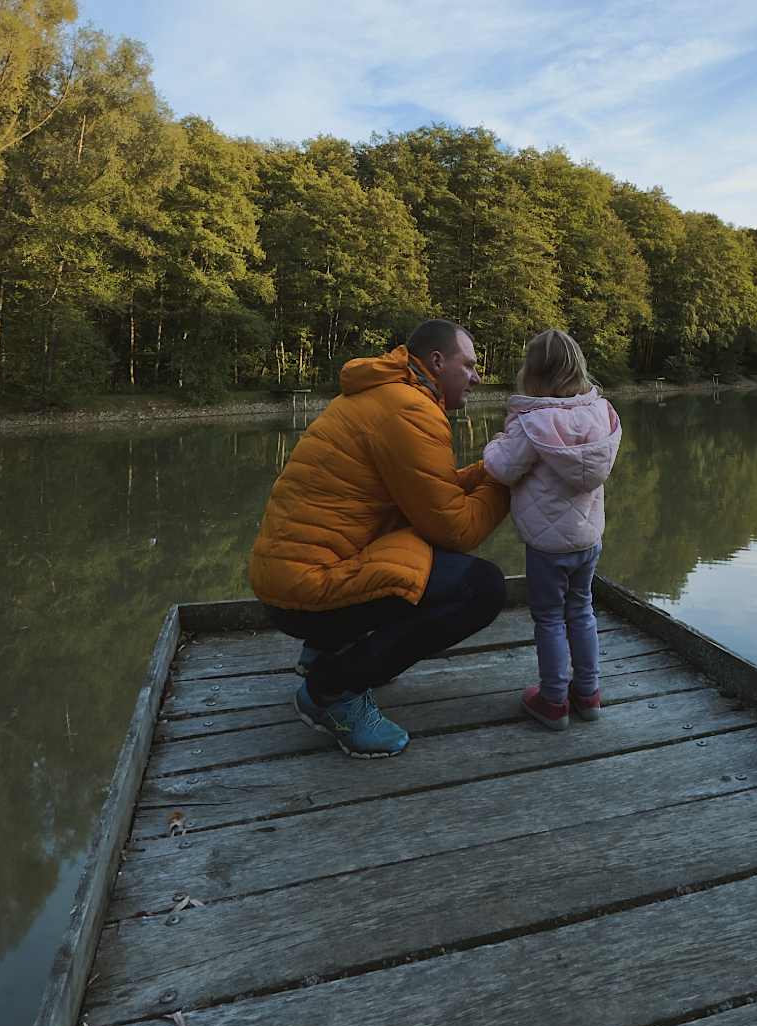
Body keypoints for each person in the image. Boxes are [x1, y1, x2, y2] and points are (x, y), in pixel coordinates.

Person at [249, 320, 509, 757]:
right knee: (482, 588)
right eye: (469, 365)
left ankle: (328, 650)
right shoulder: (411, 411)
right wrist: (508, 479)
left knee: (420, 549)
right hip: (305, 592)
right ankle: (331, 692)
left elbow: (432, 494)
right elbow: (457, 529)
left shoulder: (385, 395)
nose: (477, 377)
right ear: (437, 362)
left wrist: (487, 469)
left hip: (287, 580)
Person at [482, 328, 621, 730]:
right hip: (588, 539)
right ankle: (589, 694)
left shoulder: (534, 423)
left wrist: (494, 442)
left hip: (546, 547)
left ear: (534, 372)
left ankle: (554, 700)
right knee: (582, 611)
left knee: (548, 618)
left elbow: (503, 468)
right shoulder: (602, 413)